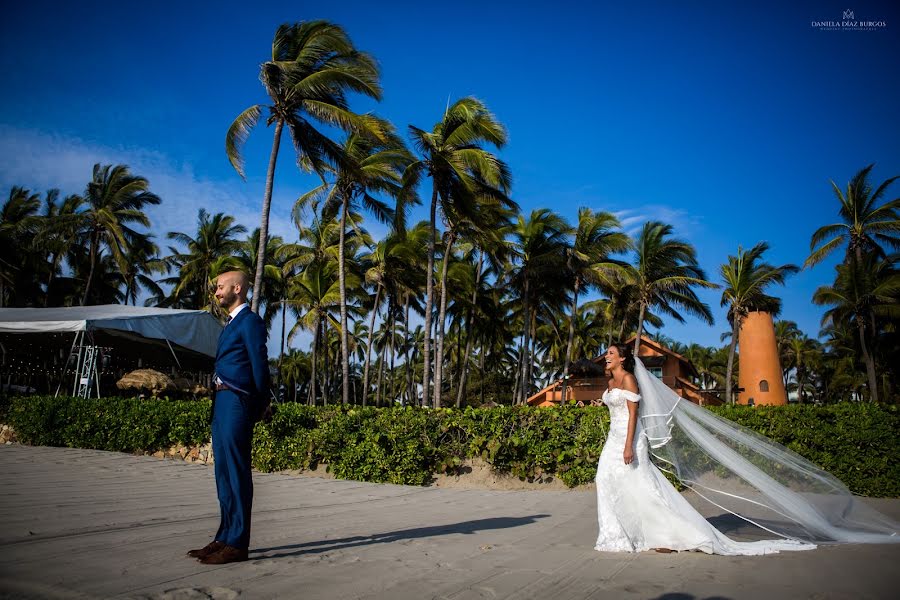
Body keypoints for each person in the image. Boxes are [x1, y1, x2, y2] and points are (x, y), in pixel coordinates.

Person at [594, 342, 899, 555]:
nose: (605, 357)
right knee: (606, 481)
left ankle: (661, 532)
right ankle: (620, 532)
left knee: (640, 486)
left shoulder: (631, 378)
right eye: (606, 353)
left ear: (622, 358)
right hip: (614, 436)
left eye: (610, 353)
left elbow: (634, 415)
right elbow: (614, 408)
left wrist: (628, 446)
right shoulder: (611, 380)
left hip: (629, 439)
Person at [188, 271, 270, 564]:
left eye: (220, 286)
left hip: (237, 400)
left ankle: (238, 543)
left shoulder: (250, 322)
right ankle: (224, 536)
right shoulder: (231, 324)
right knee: (222, 472)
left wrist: (260, 403)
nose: (216, 291)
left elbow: (260, 366)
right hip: (221, 401)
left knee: (235, 472)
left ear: (238, 288)